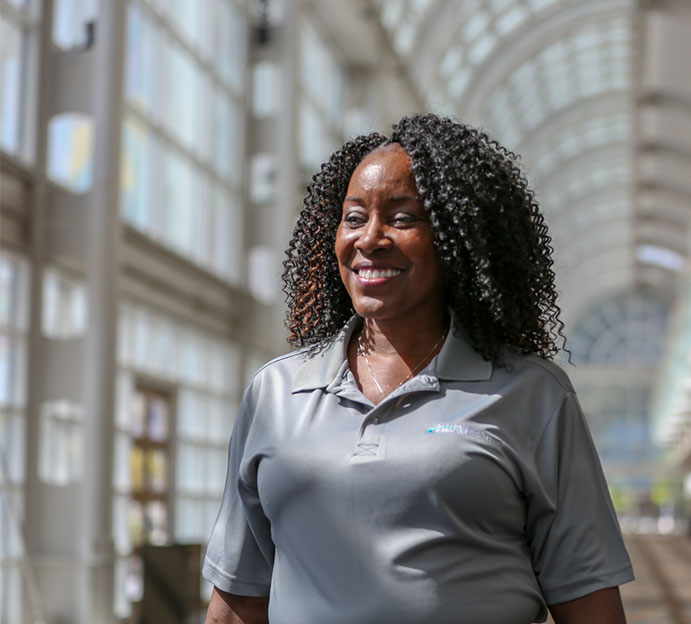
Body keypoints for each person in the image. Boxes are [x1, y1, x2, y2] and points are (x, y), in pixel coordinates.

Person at [202, 114, 634, 623]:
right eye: (355, 217)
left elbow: (589, 606)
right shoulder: (275, 393)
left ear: (457, 240)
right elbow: (238, 601)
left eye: (403, 218)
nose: (370, 239)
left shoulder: (532, 395)